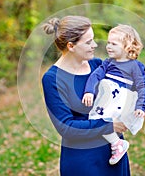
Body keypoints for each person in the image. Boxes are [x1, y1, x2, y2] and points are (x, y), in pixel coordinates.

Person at [41, 16, 131, 176]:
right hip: (83, 161)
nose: (95, 45)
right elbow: (67, 127)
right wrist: (108, 125)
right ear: (71, 46)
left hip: (114, 154)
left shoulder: (97, 65)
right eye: (89, 42)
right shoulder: (52, 79)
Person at [82, 24, 145, 165]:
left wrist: (140, 106)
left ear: (127, 46)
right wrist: (89, 91)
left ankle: (116, 143)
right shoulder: (108, 63)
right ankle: (116, 143)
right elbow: (95, 76)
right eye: (108, 43)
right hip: (108, 99)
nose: (108, 46)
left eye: (114, 43)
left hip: (122, 100)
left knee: (104, 121)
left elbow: (142, 86)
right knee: (97, 119)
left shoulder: (135, 66)